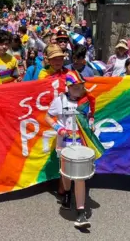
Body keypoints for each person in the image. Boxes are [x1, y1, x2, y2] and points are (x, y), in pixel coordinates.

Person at [45, 70, 94, 228]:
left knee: (79, 178)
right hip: (64, 143)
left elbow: (91, 115)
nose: (79, 90)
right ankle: (66, 194)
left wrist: (91, 123)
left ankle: (80, 213)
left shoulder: (86, 100)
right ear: (68, 87)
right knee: (66, 174)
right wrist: (58, 128)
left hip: (80, 143)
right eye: (76, 87)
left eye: (81, 86)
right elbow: (48, 117)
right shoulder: (59, 100)